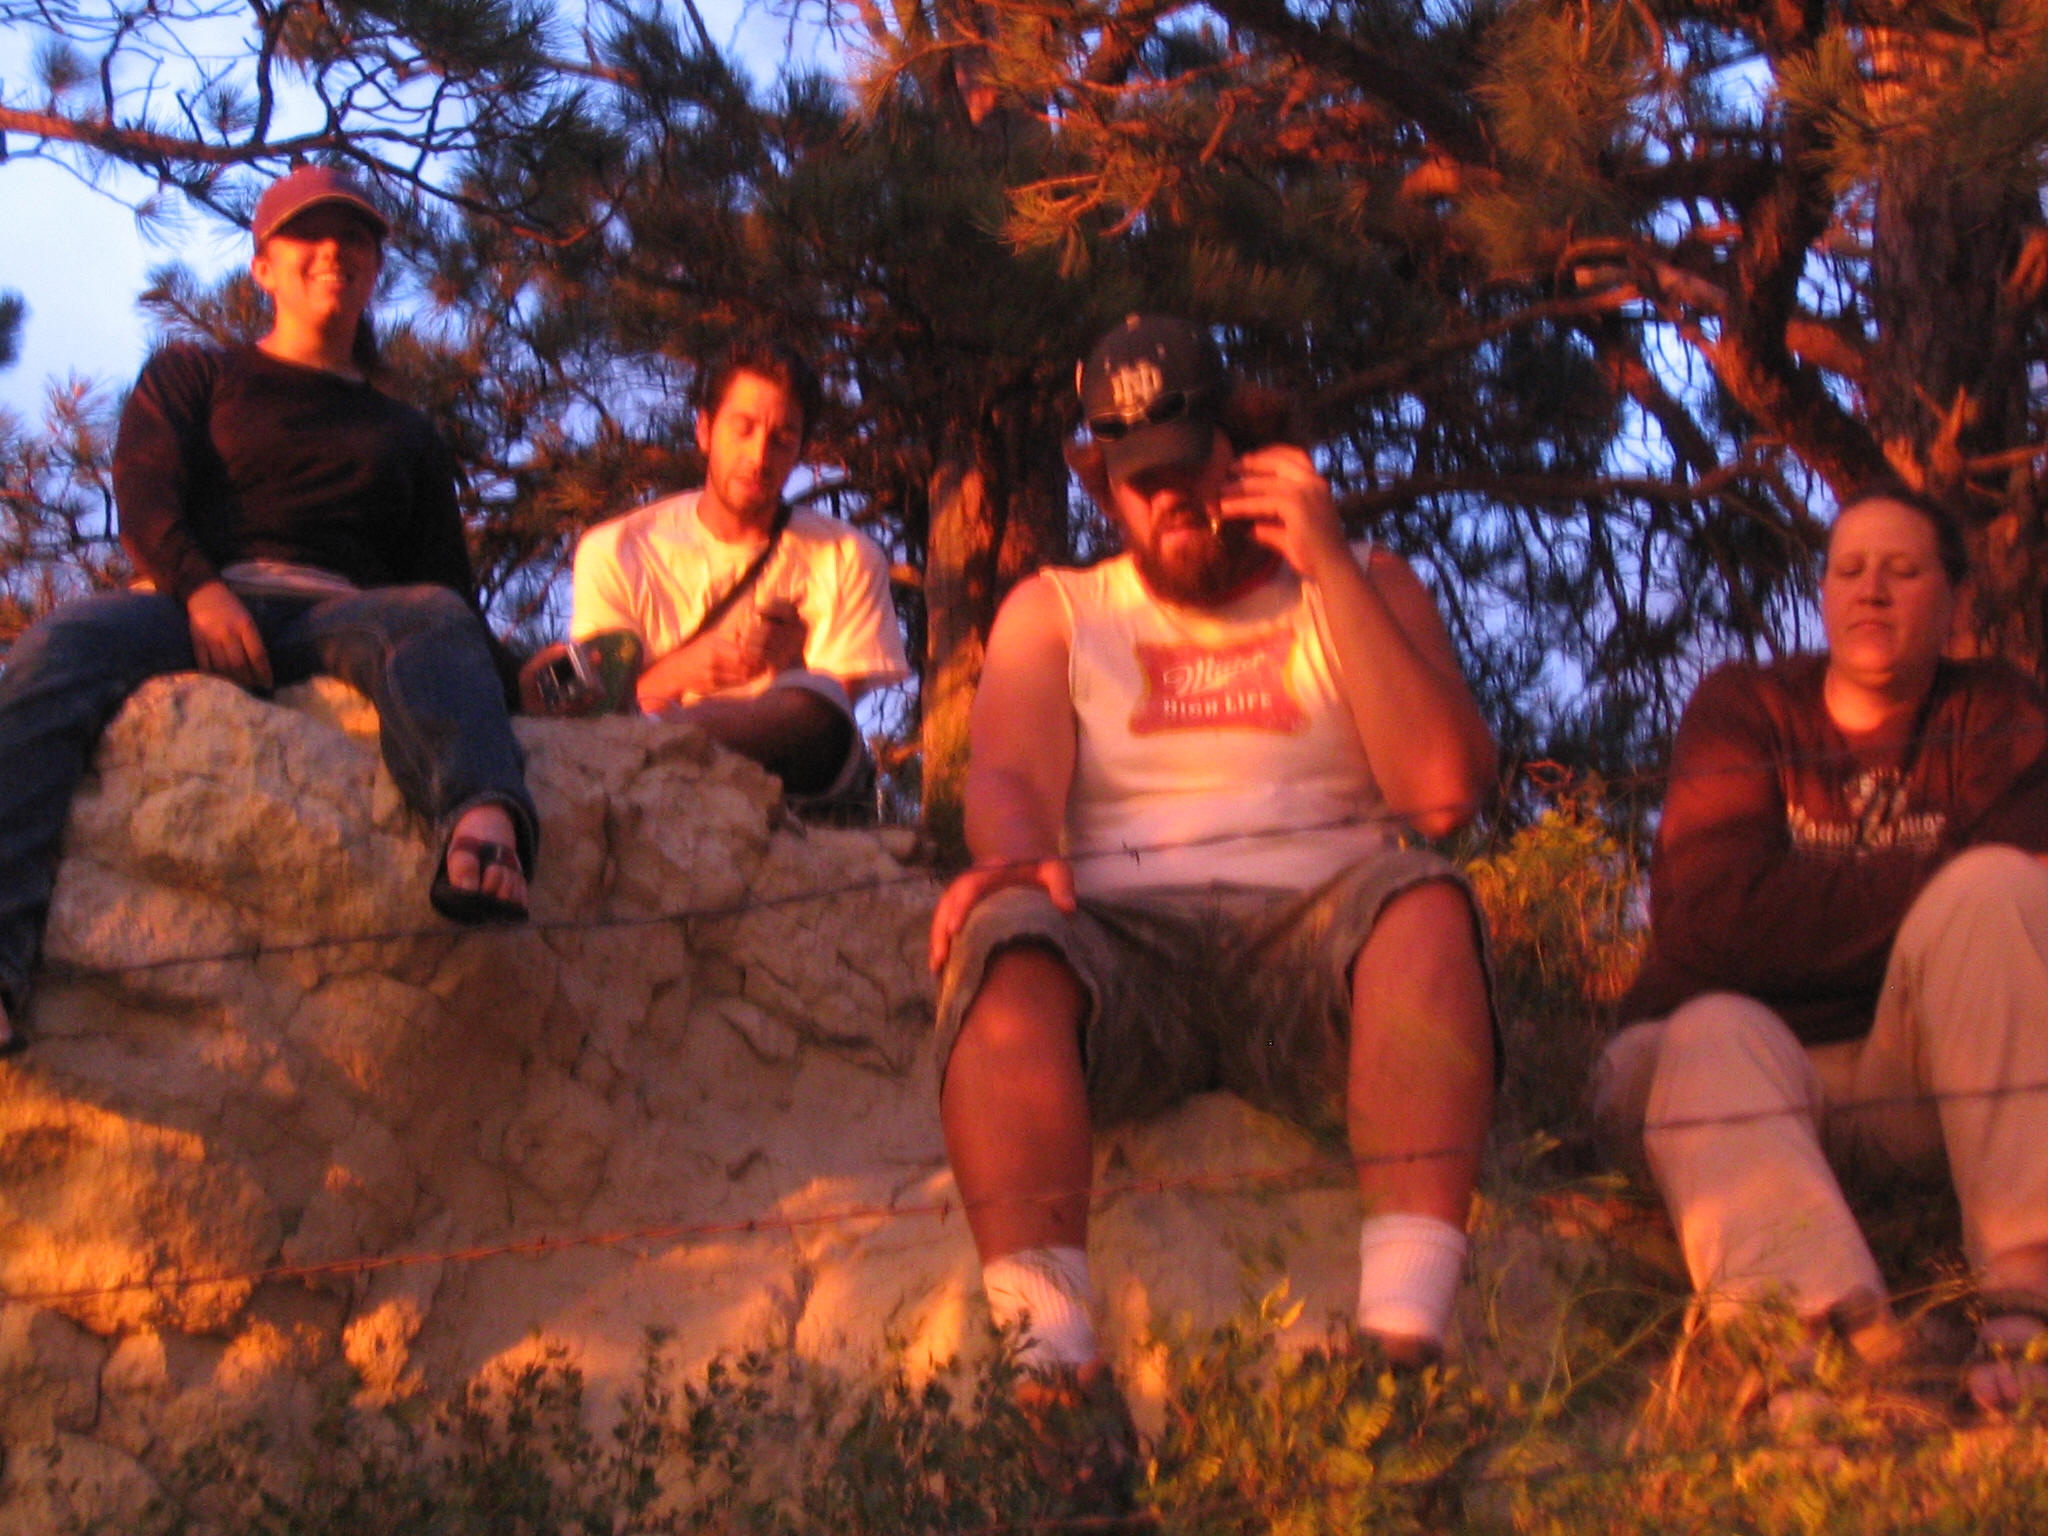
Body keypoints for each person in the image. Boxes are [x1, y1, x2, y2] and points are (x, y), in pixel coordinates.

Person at [928, 315, 1500, 1407]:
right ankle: (1052, 1377)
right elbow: (1006, 779)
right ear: (1105, 494)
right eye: (1146, 485)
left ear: (1245, 453)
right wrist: (1013, 857)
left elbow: (1438, 794)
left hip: (1320, 944)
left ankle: (1402, 1342)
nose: (1178, 503)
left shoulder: (1366, 582)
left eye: (1196, 469)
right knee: (1001, 944)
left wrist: (1324, 559)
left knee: (1425, 901)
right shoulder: (1058, 611)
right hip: (1128, 952)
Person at [0, 164, 538, 1054]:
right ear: (263, 267)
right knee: (59, 649)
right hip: (195, 598)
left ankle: (483, 826)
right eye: (310, 238)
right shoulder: (197, 374)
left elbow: (447, 595)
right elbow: (144, 495)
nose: (336, 255)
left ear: (374, 270)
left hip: (343, 615)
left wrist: (531, 679)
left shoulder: (406, 433)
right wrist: (201, 589)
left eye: (356, 240)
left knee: (435, 621)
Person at [1595, 486, 2048, 1411]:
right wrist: (1937, 878)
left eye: (1903, 570)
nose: (1871, 590)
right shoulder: (1745, 709)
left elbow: (2014, 892)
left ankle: (2027, 1287)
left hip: (1905, 1080)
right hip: (1700, 1074)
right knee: (1717, 1025)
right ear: (1823, 593)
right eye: (1849, 569)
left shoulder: (1998, 710)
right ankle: (1833, 1355)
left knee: (1995, 891)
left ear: (1956, 602)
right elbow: (1712, 924)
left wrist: (1822, 915)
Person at [569, 339, 908, 803]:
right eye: (742, 429)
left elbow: (830, 713)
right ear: (705, 431)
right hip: (643, 772)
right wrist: (682, 672)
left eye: (782, 440)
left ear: (800, 453)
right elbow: (601, 699)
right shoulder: (618, 549)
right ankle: (661, 738)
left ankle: (663, 737)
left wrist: (789, 665)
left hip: (784, 773)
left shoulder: (846, 555)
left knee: (815, 698)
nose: (759, 457)